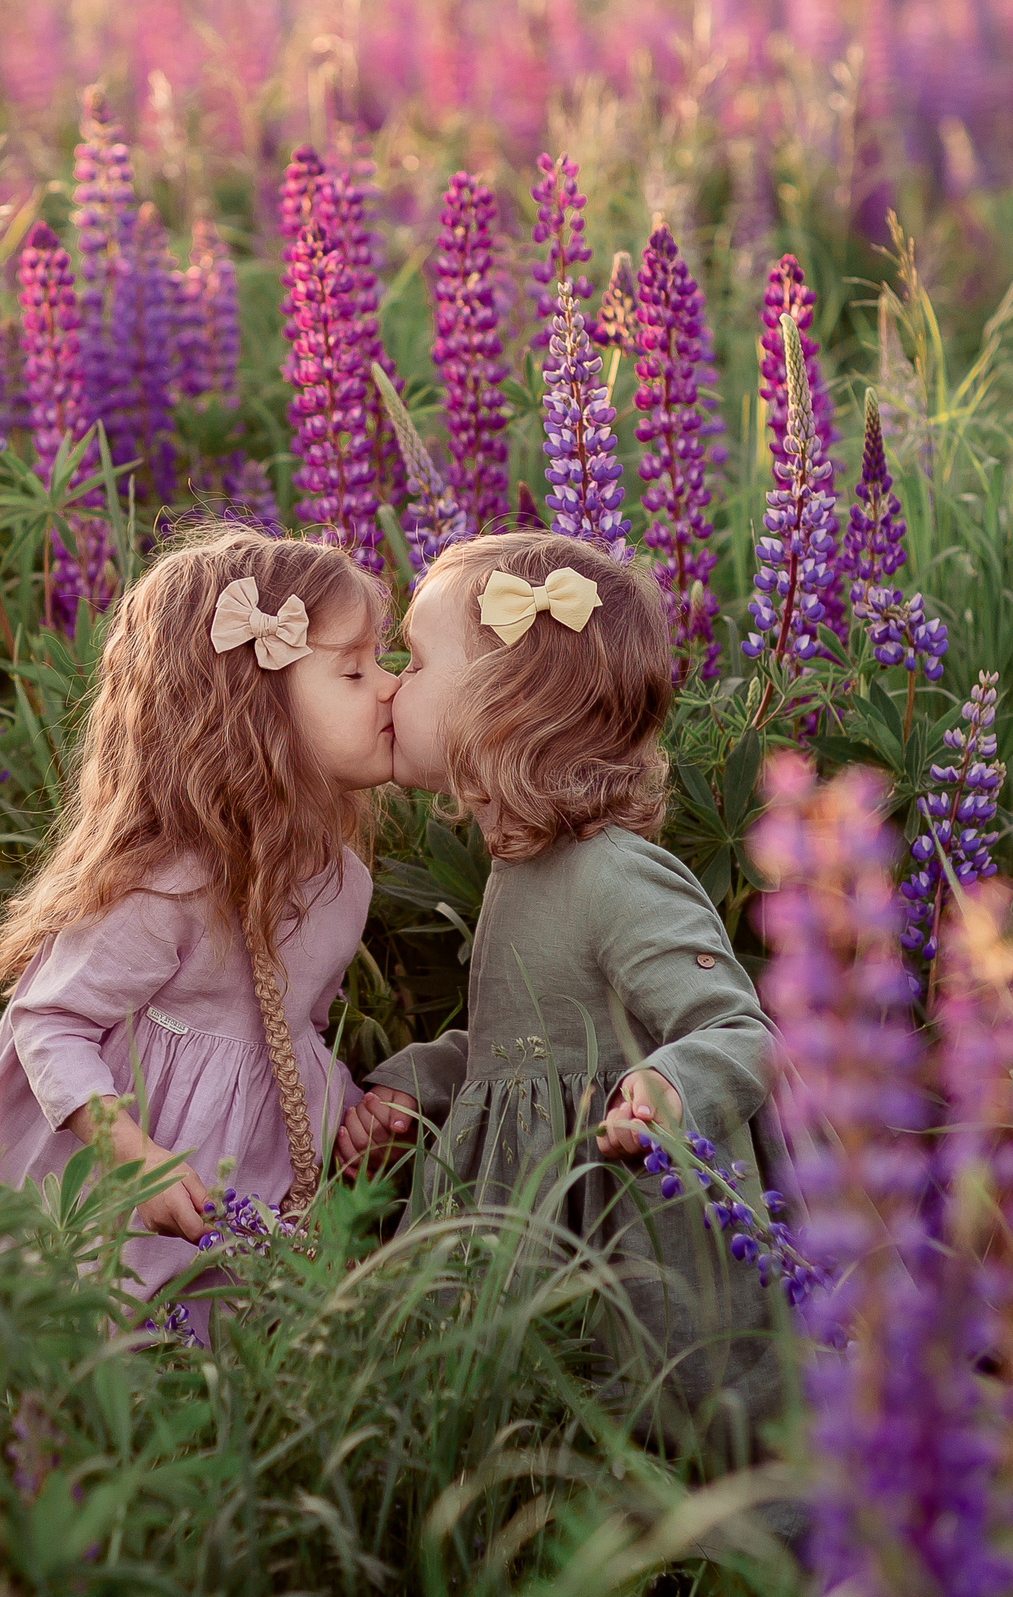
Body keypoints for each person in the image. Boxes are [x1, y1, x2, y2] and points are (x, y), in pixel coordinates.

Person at [333, 529, 797, 1462]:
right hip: (531, 1225)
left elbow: (738, 1028)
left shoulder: (618, 876)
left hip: (621, 1229)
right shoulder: (519, 865)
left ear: (500, 710)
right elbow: (521, 1036)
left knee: (648, 1430)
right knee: (536, 1430)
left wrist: (668, 1087)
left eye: (415, 662)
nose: (390, 684)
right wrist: (412, 1083)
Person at [0, 523, 397, 1335]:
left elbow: (286, 1040)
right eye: (356, 669)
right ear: (257, 710)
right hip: (111, 1191)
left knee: (213, 1374)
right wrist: (136, 1157)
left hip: (234, 1199)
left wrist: (346, 1109)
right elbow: (46, 1021)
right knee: (95, 1351)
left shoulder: (343, 882)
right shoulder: (172, 882)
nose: (389, 688)